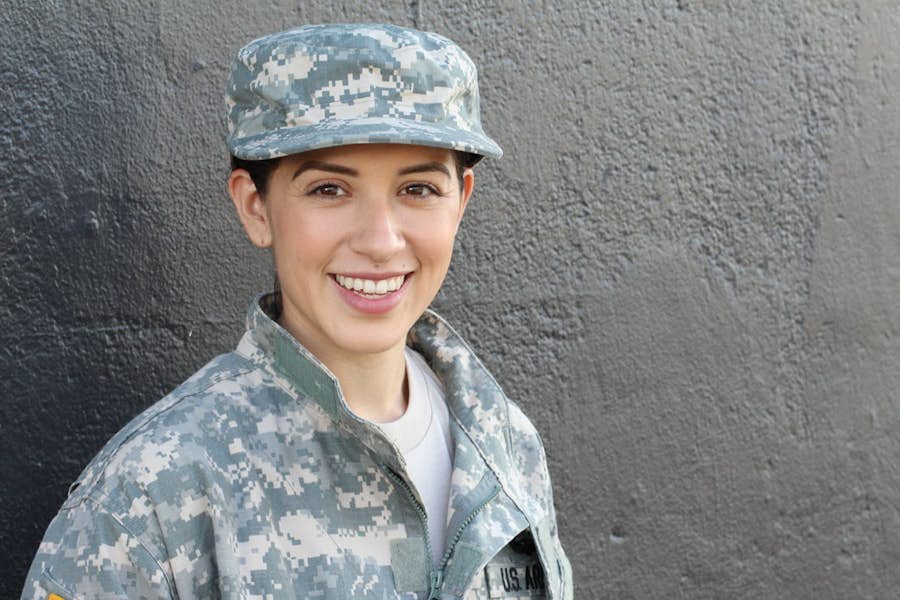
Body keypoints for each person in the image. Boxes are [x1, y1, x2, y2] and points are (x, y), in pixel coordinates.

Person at [22, 23, 572, 599]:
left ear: (460, 201)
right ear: (255, 207)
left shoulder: (504, 445)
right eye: (329, 190)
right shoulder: (154, 494)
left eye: (418, 190)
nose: (381, 240)